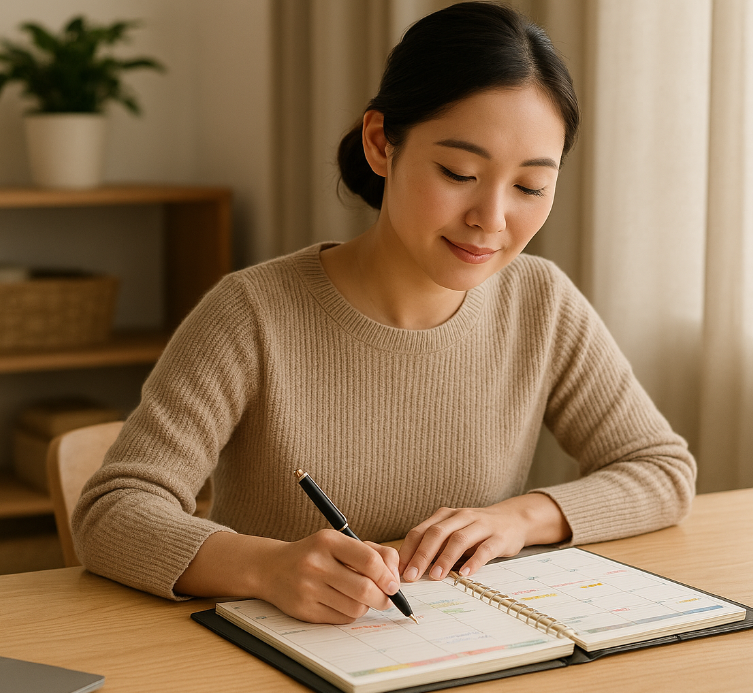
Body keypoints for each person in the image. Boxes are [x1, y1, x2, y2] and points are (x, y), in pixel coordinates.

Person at [72, 1, 695, 625]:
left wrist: (520, 518)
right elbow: (112, 511)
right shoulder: (252, 313)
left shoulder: (541, 302)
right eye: (459, 172)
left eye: (531, 186)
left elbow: (661, 471)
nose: (492, 219)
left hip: (460, 646)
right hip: (274, 656)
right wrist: (267, 567)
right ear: (381, 144)